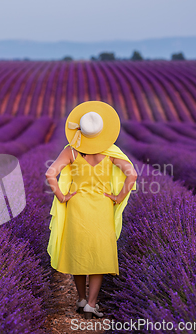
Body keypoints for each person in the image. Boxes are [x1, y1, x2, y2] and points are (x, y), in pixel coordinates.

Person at [45, 101, 137, 319]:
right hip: (102, 207)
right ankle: (92, 304)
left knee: (79, 252)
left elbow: (50, 174)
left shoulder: (71, 151)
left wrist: (61, 195)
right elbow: (132, 175)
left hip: (77, 206)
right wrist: (118, 196)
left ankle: (80, 299)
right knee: (98, 255)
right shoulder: (111, 152)